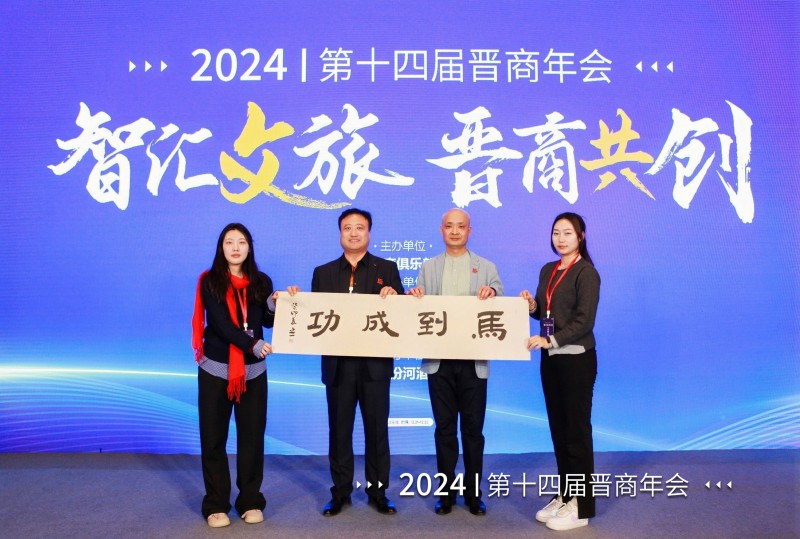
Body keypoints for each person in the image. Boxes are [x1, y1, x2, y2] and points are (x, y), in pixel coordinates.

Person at [408, 208, 503, 516]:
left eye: (460, 226)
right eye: (449, 226)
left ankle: (474, 494)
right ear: (441, 230)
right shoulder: (429, 267)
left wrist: (493, 293)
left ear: (469, 231)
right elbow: (419, 308)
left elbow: (502, 303)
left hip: (473, 362)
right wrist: (415, 295)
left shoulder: (486, 267)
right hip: (440, 362)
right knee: (445, 429)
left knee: (473, 431)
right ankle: (446, 493)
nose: (454, 231)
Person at [312, 208, 404, 516]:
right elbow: (314, 316)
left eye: (360, 227)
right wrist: (293, 299)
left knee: (377, 431)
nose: (353, 233)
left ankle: (378, 493)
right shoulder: (323, 272)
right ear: (340, 233)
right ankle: (340, 492)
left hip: (374, 366)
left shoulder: (387, 269)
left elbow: (402, 315)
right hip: (338, 366)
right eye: (347, 228)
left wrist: (395, 295)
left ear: (369, 232)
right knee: (339, 431)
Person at [191, 223, 276, 528]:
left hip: (253, 372)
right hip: (216, 369)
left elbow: (267, 320)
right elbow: (222, 325)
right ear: (221, 247)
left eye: (241, 242)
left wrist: (275, 304)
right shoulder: (210, 281)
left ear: (249, 247)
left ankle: (250, 500)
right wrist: (252, 344)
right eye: (229, 242)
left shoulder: (261, 281)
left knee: (252, 438)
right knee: (213, 438)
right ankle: (216, 504)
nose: (236, 247)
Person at [520, 212, 600, 531]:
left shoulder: (586, 273)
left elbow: (584, 321)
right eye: (556, 232)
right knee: (559, 430)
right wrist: (532, 306)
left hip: (576, 360)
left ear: (581, 236)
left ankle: (582, 507)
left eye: (568, 232)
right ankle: (566, 495)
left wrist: (550, 339)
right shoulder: (548, 269)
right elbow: (547, 310)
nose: (561, 238)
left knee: (576, 433)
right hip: (551, 359)